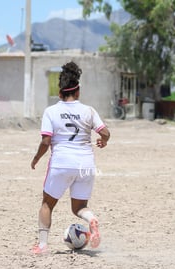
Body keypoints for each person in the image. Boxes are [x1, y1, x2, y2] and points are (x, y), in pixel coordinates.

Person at [30, 61, 111, 254]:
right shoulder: (88, 111)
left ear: (60, 93)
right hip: (86, 165)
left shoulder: (51, 111)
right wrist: (103, 141)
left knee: (47, 204)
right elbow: (105, 132)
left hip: (62, 163)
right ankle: (91, 219)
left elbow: (46, 142)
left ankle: (42, 246)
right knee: (79, 207)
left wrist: (36, 158)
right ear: (78, 92)